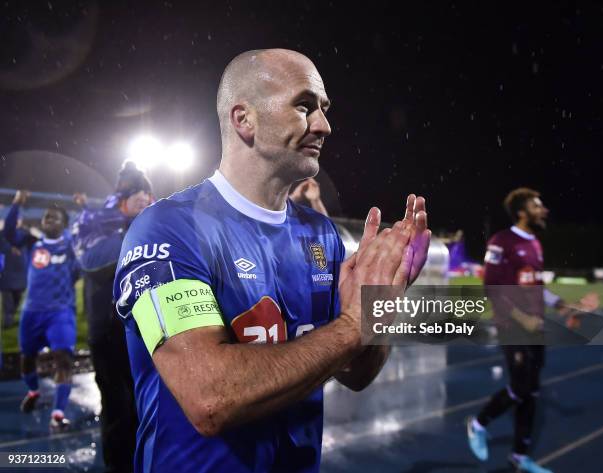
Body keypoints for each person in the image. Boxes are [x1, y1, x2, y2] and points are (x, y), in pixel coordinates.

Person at [113, 48, 431, 473]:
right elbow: (210, 398)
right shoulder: (168, 230)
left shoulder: (321, 235)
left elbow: (357, 373)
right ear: (244, 120)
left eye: (324, 109)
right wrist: (354, 325)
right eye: (304, 106)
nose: (324, 125)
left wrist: (380, 300)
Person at [466, 187, 599, 473]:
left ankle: (519, 456)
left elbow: (537, 288)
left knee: (532, 392)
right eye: (538, 205)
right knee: (520, 387)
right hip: (513, 327)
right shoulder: (502, 241)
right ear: (522, 212)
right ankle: (478, 424)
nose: (544, 210)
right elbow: (493, 288)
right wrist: (520, 318)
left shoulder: (536, 244)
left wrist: (564, 306)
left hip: (536, 329)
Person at [72, 161, 153, 473]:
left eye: (149, 192)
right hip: (108, 330)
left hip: (149, 328)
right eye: (138, 192)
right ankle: (119, 465)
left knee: (150, 402)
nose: (146, 198)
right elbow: (91, 261)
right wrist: (132, 229)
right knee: (118, 406)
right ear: (123, 196)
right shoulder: (95, 219)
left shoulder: (153, 220)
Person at [3, 190, 80, 431]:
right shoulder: (32, 242)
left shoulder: (70, 246)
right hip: (32, 311)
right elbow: (7, 234)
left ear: (64, 224)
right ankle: (34, 391)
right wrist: (16, 203)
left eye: (54, 217)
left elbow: (77, 270)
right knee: (27, 360)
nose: (48, 219)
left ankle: (58, 413)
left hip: (60, 312)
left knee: (64, 359)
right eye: (47, 216)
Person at [0, 226, 27, 329]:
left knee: (17, 298)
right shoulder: (2, 235)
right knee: (8, 301)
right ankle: (7, 322)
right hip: (6, 273)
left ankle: (11, 316)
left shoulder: (24, 234)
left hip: (20, 274)